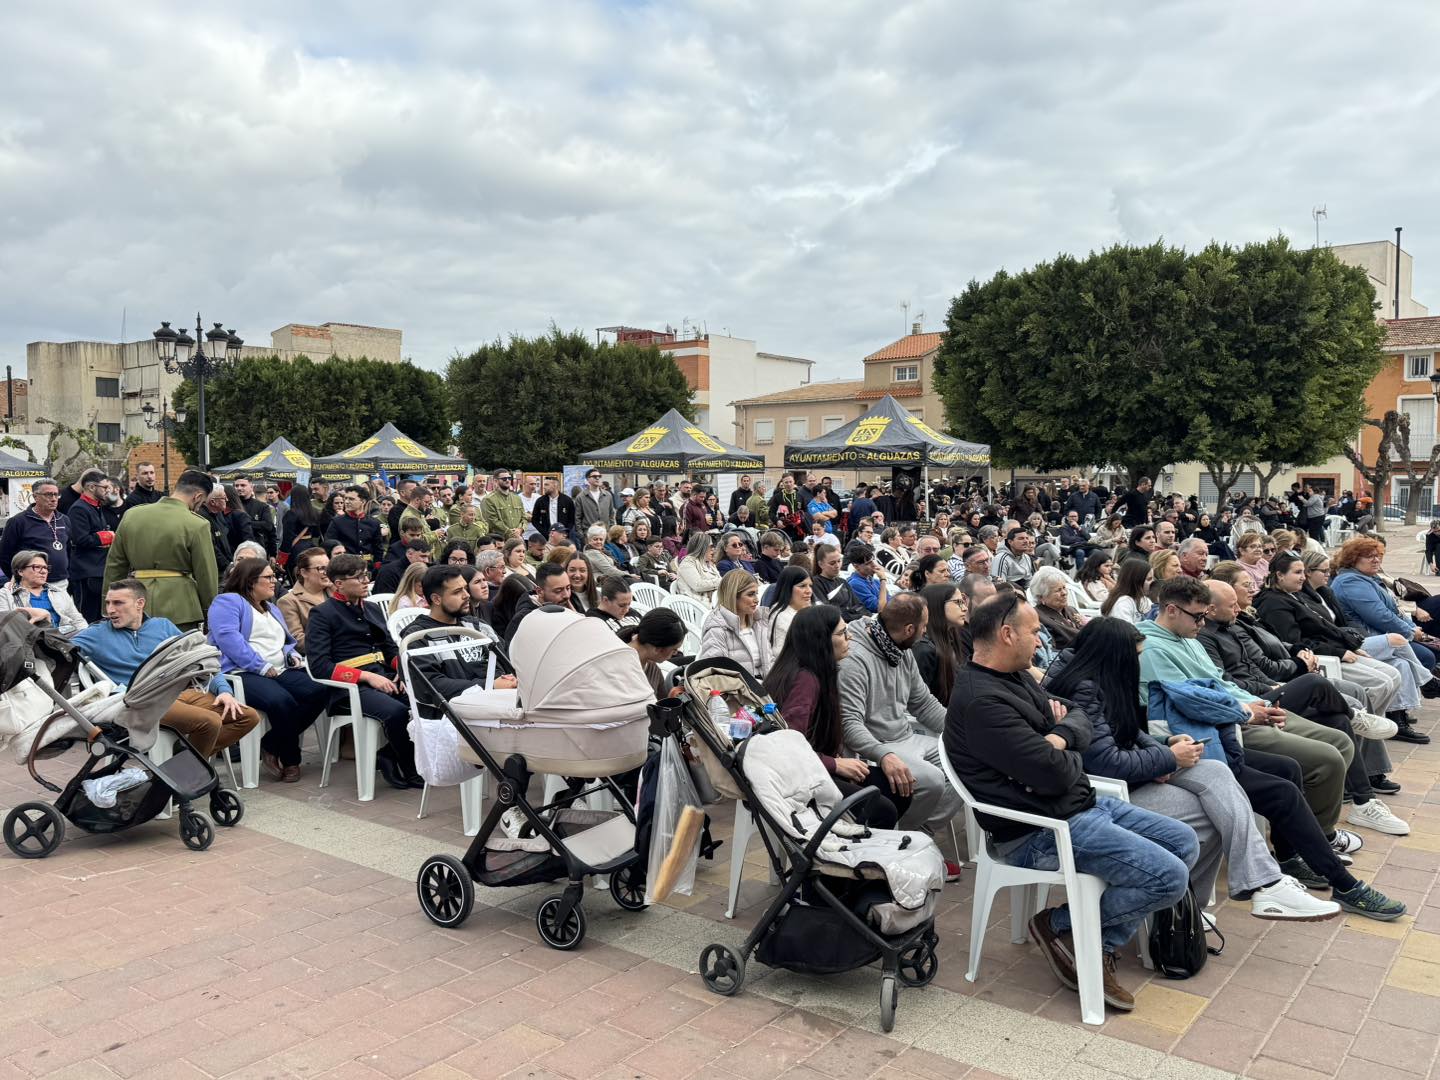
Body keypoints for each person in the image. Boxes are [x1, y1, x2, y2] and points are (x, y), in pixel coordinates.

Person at [944, 591, 1197, 1010]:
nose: (1040, 637)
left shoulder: (1017, 675)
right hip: (1039, 831)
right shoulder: (983, 702)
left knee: (1184, 841)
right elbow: (1056, 769)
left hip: (1077, 804)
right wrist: (1063, 741)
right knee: (1168, 877)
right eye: (1033, 631)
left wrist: (1061, 735)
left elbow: (1077, 713)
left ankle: (1084, 937)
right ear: (1007, 635)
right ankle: (1065, 927)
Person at [1045, 618, 1338, 922]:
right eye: (1136, 655)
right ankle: (1197, 906)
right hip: (1108, 792)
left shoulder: (1101, 681)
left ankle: (1259, 885)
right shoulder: (1085, 692)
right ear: (1115, 654)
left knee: (1215, 771)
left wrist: (1165, 743)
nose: (1139, 662)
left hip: (1133, 776)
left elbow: (1126, 732)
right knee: (1215, 813)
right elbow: (1105, 761)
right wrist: (1167, 758)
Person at [1199, 578, 1409, 837]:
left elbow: (1258, 661)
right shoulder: (1206, 636)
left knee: (1336, 720)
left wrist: (1293, 661)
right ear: (1209, 608)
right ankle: (1355, 715)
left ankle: (1363, 802)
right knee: (1314, 683)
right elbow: (1229, 680)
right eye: (1232, 603)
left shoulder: (1231, 625)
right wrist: (1287, 674)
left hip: (1270, 684)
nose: (1240, 605)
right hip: (1255, 699)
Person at [75, 577, 260, 761]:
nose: (110, 610)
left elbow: (201, 658)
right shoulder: (97, 634)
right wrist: (46, 620)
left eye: (118, 603)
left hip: (183, 692)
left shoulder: (162, 626)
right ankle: (184, 775)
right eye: (108, 603)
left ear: (140, 603)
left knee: (248, 717)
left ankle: (179, 762)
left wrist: (224, 690)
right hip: (145, 700)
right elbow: (58, 646)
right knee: (209, 722)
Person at [1256, 550, 1424, 747]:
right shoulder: (1274, 603)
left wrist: (1351, 645)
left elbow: (1330, 627)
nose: (1303, 577)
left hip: (1335, 649)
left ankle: (1373, 727)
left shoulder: (1296, 595)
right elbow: (1295, 643)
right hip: (1321, 658)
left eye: (1303, 571)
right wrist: (1340, 652)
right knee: (1382, 680)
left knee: (1394, 672)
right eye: (1297, 572)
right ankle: (1366, 728)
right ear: (1279, 575)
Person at [765, 605, 908, 829]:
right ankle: (858, 854)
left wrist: (838, 761)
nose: (849, 636)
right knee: (883, 809)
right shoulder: (805, 680)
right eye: (842, 633)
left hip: (815, 765)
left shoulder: (813, 671)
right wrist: (835, 765)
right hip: (798, 778)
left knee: (898, 788)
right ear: (821, 640)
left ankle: (866, 845)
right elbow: (789, 748)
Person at [839, 593, 963, 849]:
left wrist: (962, 731)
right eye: (924, 626)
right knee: (931, 779)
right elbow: (850, 724)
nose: (926, 631)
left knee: (969, 759)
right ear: (909, 629)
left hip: (906, 737)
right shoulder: (855, 660)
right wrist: (883, 754)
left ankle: (918, 835)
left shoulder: (900, 650)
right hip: (876, 746)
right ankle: (898, 839)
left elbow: (923, 703)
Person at [206, 558, 330, 783]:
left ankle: (270, 744)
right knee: (282, 701)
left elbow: (284, 641)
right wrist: (260, 666)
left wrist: (291, 655)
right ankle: (292, 760)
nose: (275, 581)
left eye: (274, 577)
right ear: (250, 580)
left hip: (278, 668)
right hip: (241, 672)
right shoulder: (227, 602)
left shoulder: (271, 607)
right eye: (269, 577)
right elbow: (229, 640)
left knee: (320, 690)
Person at [305, 553, 419, 790]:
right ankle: (410, 769)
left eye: (366, 575)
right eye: (358, 577)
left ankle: (387, 754)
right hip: (349, 689)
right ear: (338, 584)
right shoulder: (323, 614)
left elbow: (389, 648)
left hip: (383, 677)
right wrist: (366, 677)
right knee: (396, 712)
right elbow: (319, 666)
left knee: (426, 701)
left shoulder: (371, 609)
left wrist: (401, 672)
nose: (365, 581)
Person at [101, 469, 219, 629]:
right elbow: (206, 575)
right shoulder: (197, 524)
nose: (199, 507)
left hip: (136, 602)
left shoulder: (131, 515)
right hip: (181, 608)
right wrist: (210, 613)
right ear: (197, 496)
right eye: (201, 502)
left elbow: (115, 565)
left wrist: (109, 606)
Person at [1330, 536, 1440, 678]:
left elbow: (1394, 608)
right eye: (1369, 556)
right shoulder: (1350, 582)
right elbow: (1380, 616)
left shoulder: (1368, 577)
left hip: (1389, 630)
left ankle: (1425, 682)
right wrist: (1411, 631)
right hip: (1369, 636)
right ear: (1353, 559)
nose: (1376, 560)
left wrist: (1411, 627)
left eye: (1377, 556)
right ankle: (1427, 682)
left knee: (1432, 645)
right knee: (1426, 656)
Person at [403, 566, 519, 700]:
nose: (467, 595)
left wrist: (510, 680)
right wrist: (489, 686)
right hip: (451, 714)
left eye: (465, 588)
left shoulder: (477, 626)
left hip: (501, 702)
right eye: (457, 591)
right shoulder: (418, 637)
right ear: (436, 599)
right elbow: (430, 686)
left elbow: (507, 660)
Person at [0, 477, 72, 593]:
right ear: (35, 496)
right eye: (48, 495)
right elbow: (5, 556)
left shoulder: (64, 520)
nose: (53, 499)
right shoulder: (18, 522)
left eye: (56, 495)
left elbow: (68, 550)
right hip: (31, 584)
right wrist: (20, 578)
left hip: (61, 583)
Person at [66, 471, 121, 622]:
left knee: (101, 616)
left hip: (99, 570)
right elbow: (80, 539)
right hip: (86, 572)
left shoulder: (96, 507)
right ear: (91, 487)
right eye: (104, 487)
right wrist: (107, 536)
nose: (107, 491)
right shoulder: (79, 508)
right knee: (86, 617)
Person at [698, 569, 772, 677]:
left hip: (767, 685)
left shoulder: (760, 621)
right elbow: (713, 673)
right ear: (733, 596)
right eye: (751, 594)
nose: (757, 600)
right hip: (739, 690)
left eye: (756, 594)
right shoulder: (717, 629)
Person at [0, 550, 86, 634]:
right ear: (20, 571)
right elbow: (5, 626)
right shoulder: (6, 594)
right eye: (37, 567)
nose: (44, 571)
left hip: (65, 638)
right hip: (32, 640)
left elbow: (77, 620)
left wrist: (86, 637)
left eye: (45, 567)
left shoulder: (58, 591)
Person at [911, 583, 967, 705]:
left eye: (963, 601)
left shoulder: (951, 639)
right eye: (958, 602)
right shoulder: (923, 650)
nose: (965, 608)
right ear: (938, 606)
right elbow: (917, 702)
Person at [618, 608, 687, 703]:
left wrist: (673, 697)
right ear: (657, 649)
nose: (676, 654)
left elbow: (661, 702)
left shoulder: (651, 667)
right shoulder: (620, 672)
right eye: (674, 650)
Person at [504, 562, 572, 644]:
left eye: (568, 588)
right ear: (539, 592)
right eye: (558, 591)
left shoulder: (565, 604)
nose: (566, 595)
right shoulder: (523, 620)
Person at [278, 547, 330, 653]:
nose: (326, 572)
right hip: (321, 656)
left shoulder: (338, 591)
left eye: (329, 567)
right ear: (304, 572)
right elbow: (298, 641)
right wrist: (338, 644)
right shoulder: (288, 602)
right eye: (321, 568)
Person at [1028, 566, 1087, 651]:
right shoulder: (1038, 617)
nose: (1064, 593)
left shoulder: (1071, 610)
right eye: (1058, 590)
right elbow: (1050, 650)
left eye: (1064, 588)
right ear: (1041, 597)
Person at [325, 485, 384, 565]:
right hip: (345, 565)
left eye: (351, 499)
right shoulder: (337, 522)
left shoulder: (374, 523)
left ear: (363, 501)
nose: (347, 502)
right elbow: (329, 545)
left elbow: (378, 549)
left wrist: (377, 566)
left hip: (367, 565)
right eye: (346, 498)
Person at [764, 565, 813, 655]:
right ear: (787, 588)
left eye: (810, 586)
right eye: (802, 586)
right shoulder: (782, 617)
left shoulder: (805, 611)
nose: (809, 591)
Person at [234, 478, 279, 559]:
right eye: (236, 485)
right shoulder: (231, 506)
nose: (239, 488)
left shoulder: (262, 506)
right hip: (236, 552)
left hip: (257, 552)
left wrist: (273, 554)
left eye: (243, 485)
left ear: (251, 487)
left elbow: (269, 527)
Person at [1099, 557, 1152, 625]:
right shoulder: (1122, 603)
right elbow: (1128, 633)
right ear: (1136, 580)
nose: (1152, 583)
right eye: (1149, 579)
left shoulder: (1144, 599)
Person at [673, 531, 722, 602]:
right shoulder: (688, 562)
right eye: (711, 546)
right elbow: (698, 585)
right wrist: (722, 581)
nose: (713, 549)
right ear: (701, 547)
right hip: (696, 604)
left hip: (713, 601)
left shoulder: (708, 563)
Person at [844, 542, 889, 614]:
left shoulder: (875, 581)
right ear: (856, 566)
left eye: (873, 561)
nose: (874, 565)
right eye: (868, 563)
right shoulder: (855, 584)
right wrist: (883, 580)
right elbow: (879, 608)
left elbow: (890, 601)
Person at [480, 469, 526, 539]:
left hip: (518, 538)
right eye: (504, 479)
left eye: (509, 478)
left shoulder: (517, 498)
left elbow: (524, 517)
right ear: (495, 481)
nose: (507, 480)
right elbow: (492, 522)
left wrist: (520, 529)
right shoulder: (488, 499)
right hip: (499, 540)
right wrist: (510, 533)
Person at [575, 468, 616, 533]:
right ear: (588, 479)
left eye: (599, 476)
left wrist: (610, 530)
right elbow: (577, 518)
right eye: (594, 476)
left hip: (605, 533)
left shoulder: (608, 495)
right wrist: (581, 535)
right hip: (588, 534)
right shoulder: (581, 497)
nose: (597, 478)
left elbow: (611, 515)